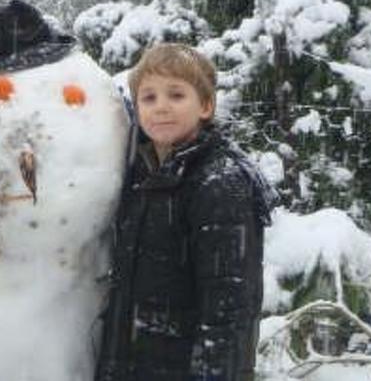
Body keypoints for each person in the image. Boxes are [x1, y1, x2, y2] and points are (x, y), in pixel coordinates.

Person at [96, 43, 277, 381]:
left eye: (176, 95)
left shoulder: (220, 183)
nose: (161, 107)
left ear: (206, 105)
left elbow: (230, 307)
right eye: (149, 98)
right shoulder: (142, 177)